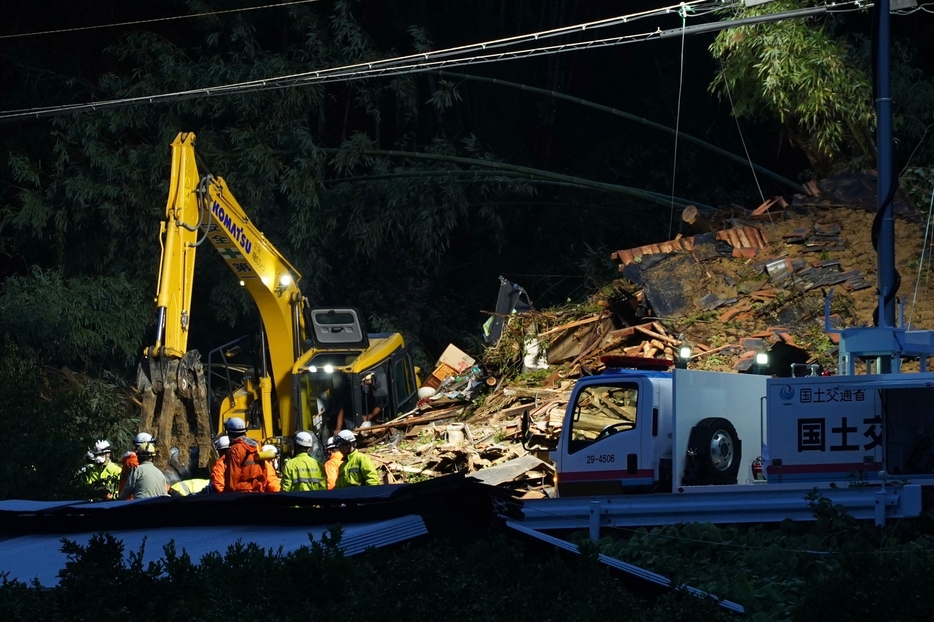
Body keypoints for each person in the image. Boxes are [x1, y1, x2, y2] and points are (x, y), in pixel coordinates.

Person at [221, 417, 276, 493]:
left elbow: (232, 476)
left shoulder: (235, 450)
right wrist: (261, 487)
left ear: (230, 433)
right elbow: (264, 470)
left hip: (241, 493)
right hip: (257, 491)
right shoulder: (256, 446)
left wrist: (228, 494)